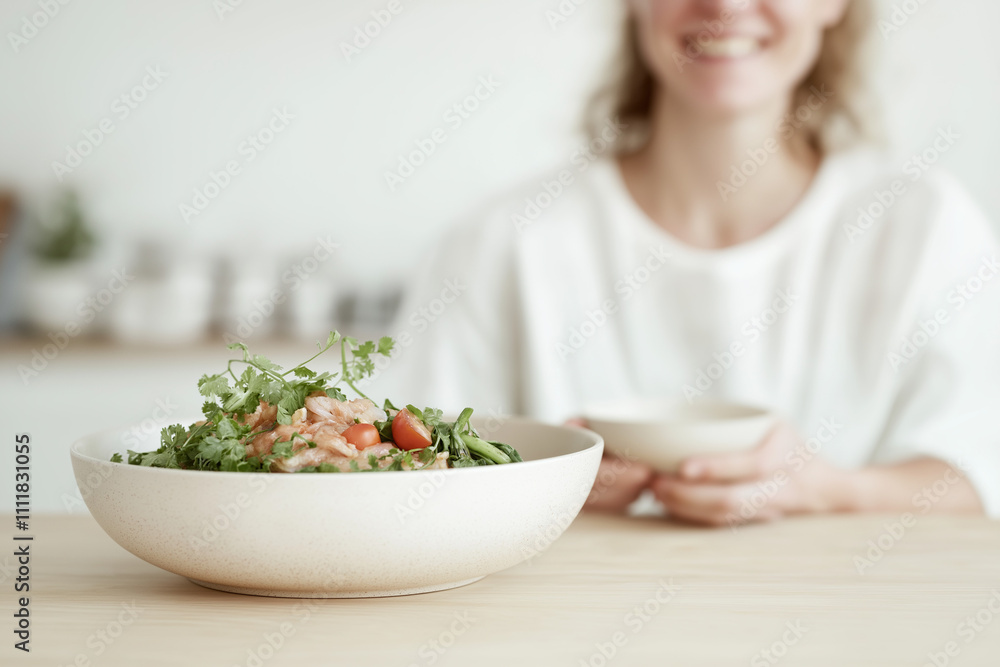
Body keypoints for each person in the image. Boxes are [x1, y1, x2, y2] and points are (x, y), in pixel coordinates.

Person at [373, 0, 1000, 525]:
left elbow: (978, 478)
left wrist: (827, 489)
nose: (725, 5)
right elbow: (399, 477)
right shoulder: (501, 244)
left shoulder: (924, 227)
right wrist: (542, 491)